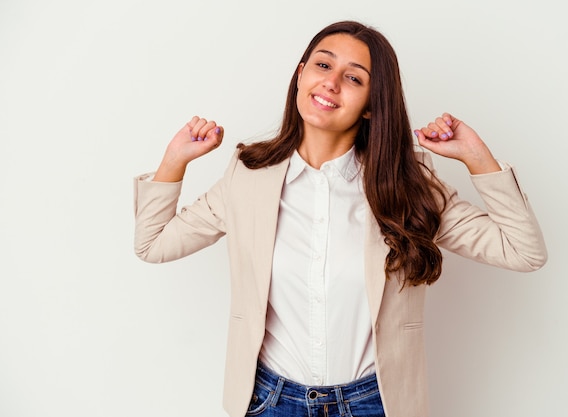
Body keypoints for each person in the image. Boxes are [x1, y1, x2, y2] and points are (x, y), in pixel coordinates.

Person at [134, 20, 547, 417]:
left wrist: (478, 158)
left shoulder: (407, 184)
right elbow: (153, 244)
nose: (331, 82)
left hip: (375, 403)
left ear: (371, 106)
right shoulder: (248, 176)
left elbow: (523, 251)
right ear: (300, 75)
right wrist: (174, 161)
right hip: (269, 402)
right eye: (323, 64)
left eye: (354, 78)